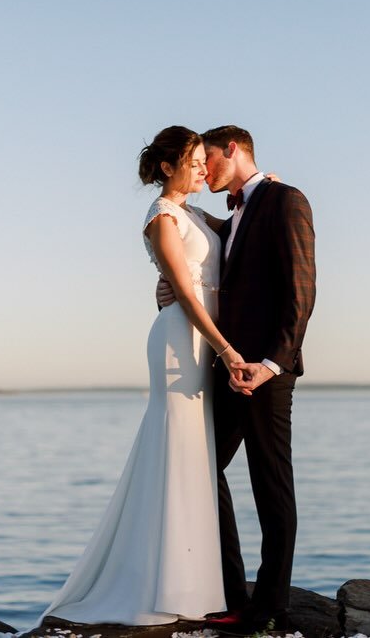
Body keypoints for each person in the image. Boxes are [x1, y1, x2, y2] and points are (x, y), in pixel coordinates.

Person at [39, 126, 242, 625]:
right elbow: (185, 292)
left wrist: (267, 184)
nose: (202, 168)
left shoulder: (195, 213)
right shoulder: (161, 216)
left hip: (205, 340)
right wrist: (225, 348)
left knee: (196, 454)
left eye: (204, 160)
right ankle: (158, 582)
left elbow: (242, 222)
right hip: (181, 340)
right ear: (169, 166)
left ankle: (192, 583)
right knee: (176, 447)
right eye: (194, 161)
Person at [158, 126, 316, 633]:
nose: (204, 170)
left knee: (271, 484)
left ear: (233, 149)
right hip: (226, 369)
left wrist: (272, 363)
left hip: (267, 371)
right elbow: (192, 241)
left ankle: (272, 606)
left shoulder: (285, 200)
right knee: (204, 469)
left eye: (208, 159)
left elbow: (301, 290)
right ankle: (231, 593)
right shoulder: (231, 216)